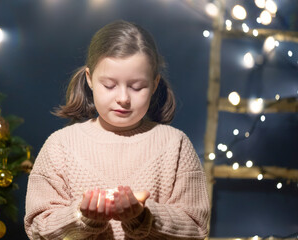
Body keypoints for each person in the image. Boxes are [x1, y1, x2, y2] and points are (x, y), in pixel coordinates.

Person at [24, 20, 209, 240]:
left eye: (137, 87)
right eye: (109, 86)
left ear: (155, 84)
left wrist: (144, 217)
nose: (123, 98)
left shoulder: (175, 145)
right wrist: (81, 217)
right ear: (90, 79)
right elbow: (37, 227)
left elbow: (196, 228)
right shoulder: (60, 146)